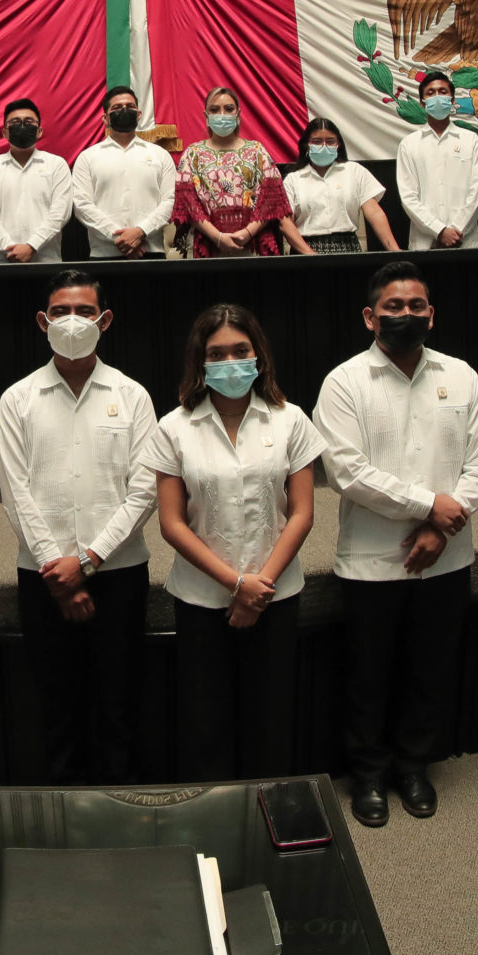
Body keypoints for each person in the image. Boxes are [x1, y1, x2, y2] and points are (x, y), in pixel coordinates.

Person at [315, 259, 478, 825]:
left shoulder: (461, 375)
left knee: (430, 667)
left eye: (416, 306)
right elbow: (347, 471)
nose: (405, 315)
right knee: (369, 672)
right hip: (373, 561)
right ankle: (368, 774)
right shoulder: (345, 382)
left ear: (432, 315)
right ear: (370, 317)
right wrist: (430, 507)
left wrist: (443, 523)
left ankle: (413, 766)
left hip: (446, 554)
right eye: (393, 307)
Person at [0, 270, 159, 784]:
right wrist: (58, 571)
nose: (73, 321)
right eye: (61, 312)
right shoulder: (16, 399)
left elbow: (145, 489)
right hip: (42, 576)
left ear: (104, 320)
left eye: (85, 312)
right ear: (43, 322)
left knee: (118, 699)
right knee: (56, 702)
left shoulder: (133, 396)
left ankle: (120, 804)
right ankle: (63, 807)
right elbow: (14, 492)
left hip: (119, 572)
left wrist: (87, 561)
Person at [153, 303, 322, 782]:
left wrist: (259, 586)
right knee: (205, 722)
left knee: (270, 720)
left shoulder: (291, 420)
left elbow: (303, 512)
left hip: (275, 596)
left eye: (240, 351)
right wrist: (236, 584)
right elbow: (172, 523)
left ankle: (268, 817)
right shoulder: (174, 427)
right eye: (217, 353)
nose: (230, 363)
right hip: (202, 600)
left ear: (259, 356)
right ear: (200, 362)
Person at [172, 86, 292, 258]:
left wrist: (247, 233)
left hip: (253, 244)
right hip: (207, 244)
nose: (222, 114)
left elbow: (271, 200)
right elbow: (188, 204)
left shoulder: (257, 151)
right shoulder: (192, 154)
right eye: (215, 110)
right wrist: (218, 237)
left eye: (229, 109)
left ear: (238, 114)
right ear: (206, 116)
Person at [72, 85, 175, 258]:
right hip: (104, 253)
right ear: (106, 118)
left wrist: (141, 231)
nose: (124, 110)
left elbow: (170, 201)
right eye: (117, 108)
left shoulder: (160, 155)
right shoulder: (87, 158)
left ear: (139, 114)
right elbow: (81, 205)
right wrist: (119, 237)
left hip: (151, 251)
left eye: (130, 107)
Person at [281, 117, 399, 255]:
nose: (324, 146)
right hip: (304, 251)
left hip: (348, 249)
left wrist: (395, 251)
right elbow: (285, 222)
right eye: (317, 142)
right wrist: (310, 255)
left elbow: (375, 213)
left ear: (339, 144)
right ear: (306, 145)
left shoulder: (354, 171)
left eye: (330, 141)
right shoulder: (293, 180)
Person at [395, 71, 478, 250]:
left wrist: (455, 230)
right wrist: (439, 230)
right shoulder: (409, 144)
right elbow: (408, 197)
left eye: (443, 92)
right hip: (425, 244)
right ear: (422, 102)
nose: (437, 97)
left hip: (465, 241)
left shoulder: (470, 139)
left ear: (452, 100)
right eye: (430, 93)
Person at [0, 97, 75, 263]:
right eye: (15, 122)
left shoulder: (57, 165)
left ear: (39, 131)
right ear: (4, 132)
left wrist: (32, 245)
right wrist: (9, 248)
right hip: (3, 260)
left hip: (47, 260)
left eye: (29, 121)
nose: (22, 126)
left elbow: (61, 212)